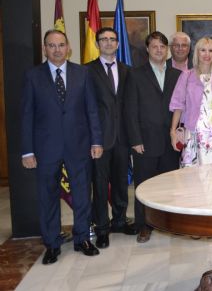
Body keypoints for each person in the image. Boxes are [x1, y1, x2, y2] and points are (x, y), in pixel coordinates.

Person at [21, 30, 103, 264]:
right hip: (46, 147)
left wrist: (96, 141)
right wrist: (27, 150)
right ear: (45, 48)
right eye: (51, 45)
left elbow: (92, 110)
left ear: (69, 47)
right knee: (47, 196)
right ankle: (52, 243)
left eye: (61, 45)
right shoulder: (32, 76)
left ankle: (82, 238)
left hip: (79, 145)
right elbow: (27, 115)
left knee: (81, 194)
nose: (57, 50)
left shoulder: (83, 73)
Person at [125, 31, 181, 243]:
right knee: (144, 186)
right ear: (147, 49)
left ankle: (170, 223)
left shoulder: (177, 75)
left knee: (170, 185)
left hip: (170, 141)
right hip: (145, 141)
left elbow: (182, 107)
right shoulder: (135, 74)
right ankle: (144, 225)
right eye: (155, 46)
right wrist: (135, 140)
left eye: (162, 47)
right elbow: (130, 109)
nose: (159, 50)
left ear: (167, 50)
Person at [88, 27, 137, 250]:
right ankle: (102, 228)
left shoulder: (128, 71)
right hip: (99, 139)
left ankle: (119, 221)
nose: (108, 43)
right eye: (104, 39)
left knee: (120, 182)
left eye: (112, 39)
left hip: (123, 137)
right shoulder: (87, 71)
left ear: (118, 44)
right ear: (98, 43)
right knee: (99, 185)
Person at [170, 37, 212, 167]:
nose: (207, 54)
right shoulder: (187, 75)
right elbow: (178, 105)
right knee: (193, 174)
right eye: (203, 50)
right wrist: (173, 131)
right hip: (194, 131)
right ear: (197, 53)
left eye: (211, 50)